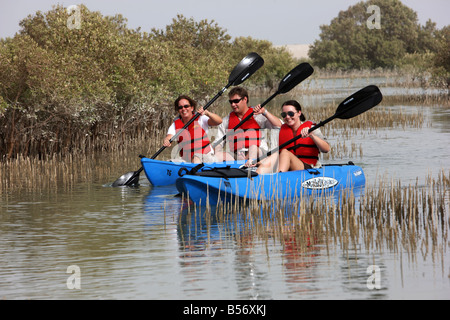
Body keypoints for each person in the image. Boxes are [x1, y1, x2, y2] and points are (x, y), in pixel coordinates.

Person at [248, 100, 330, 174]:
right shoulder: (282, 129)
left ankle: (279, 178)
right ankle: (256, 177)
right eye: (284, 114)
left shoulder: (311, 128)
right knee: (274, 155)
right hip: (287, 166)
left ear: (299, 113)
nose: (287, 117)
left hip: (308, 167)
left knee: (284, 153)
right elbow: (276, 156)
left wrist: (312, 135)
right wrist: (258, 161)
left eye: (291, 113)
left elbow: (326, 149)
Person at [213, 87, 282, 161]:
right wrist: (217, 151)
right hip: (237, 155)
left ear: (245, 99)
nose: (233, 104)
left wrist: (265, 112)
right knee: (218, 155)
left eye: (236, 101)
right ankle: (235, 168)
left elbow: (278, 126)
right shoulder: (226, 120)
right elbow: (218, 142)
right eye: (231, 102)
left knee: (253, 148)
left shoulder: (257, 115)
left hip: (258, 152)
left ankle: (249, 166)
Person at [163, 95, 222, 163]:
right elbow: (169, 136)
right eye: (180, 107)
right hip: (187, 160)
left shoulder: (201, 118)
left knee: (196, 158)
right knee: (169, 162)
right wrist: (166, 140)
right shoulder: (175, 125)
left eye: (186, 106)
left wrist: (207, 113)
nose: (183, 109)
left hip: (207, 156)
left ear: (192, 108)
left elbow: (219, 121)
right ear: (178, 110)